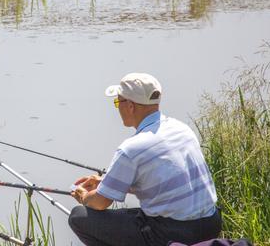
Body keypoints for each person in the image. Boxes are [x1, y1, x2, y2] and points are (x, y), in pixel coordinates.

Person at [68, 73, 221, 246]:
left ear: (131, 106)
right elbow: (162, 181)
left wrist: (84, 196)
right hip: (210, 224)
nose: (117, 108)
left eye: (118, 102)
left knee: (78, 217)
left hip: (173, 233)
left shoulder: (131, 148)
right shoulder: (182, 129)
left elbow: (100, 203)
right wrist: (105, 181)